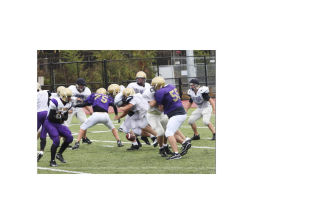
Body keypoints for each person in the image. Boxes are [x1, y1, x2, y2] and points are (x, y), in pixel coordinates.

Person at [149, 76, 191, 160]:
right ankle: (184, 143)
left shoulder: (160, 92)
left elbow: (161, 108)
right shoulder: (170, 86)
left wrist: (154, 106)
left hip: (176, 114)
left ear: (158, 85)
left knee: (168, 133)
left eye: (154, 85)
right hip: (180, 112)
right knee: (172, 132)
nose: (153, 87)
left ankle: (176, 153)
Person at [43, 88, 74, 167]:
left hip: (58, 123)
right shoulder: (55, 102)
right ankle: (52, 161)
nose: (70, 98)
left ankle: (59, 154)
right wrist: (61, 116)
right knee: (56, 140)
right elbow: (51, 117)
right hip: (49, 123)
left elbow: (65, 117)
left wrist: (60, 116)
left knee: (70, 137)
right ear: (64, 96)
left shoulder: (69, 104)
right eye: (69, 97)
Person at [142, 85, 174, 157]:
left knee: (168, 130)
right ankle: (161, 148)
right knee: (160, 132)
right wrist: (159, 98)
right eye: (158, 86)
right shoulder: (148, 92)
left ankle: (165, 146)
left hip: (162, 114)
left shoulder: (165, 90)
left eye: (161, 86)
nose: (160, 88)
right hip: (152, 115)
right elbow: (152, 104)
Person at [127, 71, 156, 146]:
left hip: (144, 107)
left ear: (145, 79)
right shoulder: (132, 85)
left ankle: (148, 138)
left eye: (141, 79)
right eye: (138, 79)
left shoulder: (148, 85)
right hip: (134, 107)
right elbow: (128, 94)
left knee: (145, 125)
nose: (139, 80)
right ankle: (137, 142)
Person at [66, 78, 93, 144]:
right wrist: (75, 98)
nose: (82, 86)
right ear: (77, 85)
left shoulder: (87, 91)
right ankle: (65, 140)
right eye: (80, 85)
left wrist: (89, 110)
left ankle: (84, 138)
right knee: (65, 124)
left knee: (85, 122)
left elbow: (86, 102)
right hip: (70, 107)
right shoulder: (71, 88)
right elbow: (65, 98)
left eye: (83, 85)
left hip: (79, 108)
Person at [37, 83, 51, 161]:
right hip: (46, 113)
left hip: (38, 113)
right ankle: (41, 151)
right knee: (43, 133)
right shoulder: (46, 92)